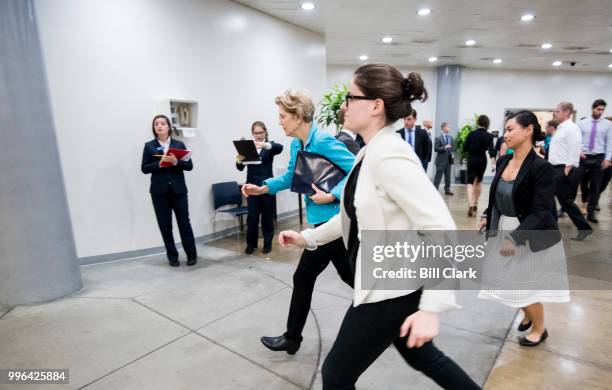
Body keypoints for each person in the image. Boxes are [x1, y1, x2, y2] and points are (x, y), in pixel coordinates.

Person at [278, 64, 479, 390]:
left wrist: (432, 308)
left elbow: (441, 227)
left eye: (349, 97)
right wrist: (308, 237)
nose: (342, 105)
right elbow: (351, 217)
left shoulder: (390, 155)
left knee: (336, 375)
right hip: (390, 284)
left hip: (389, 292)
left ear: (375, 106)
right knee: (424, 357)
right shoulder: (370, 152)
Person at [241, 89, 355, 354]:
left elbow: (359, 171)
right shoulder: (296, 144)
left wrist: (333, 194)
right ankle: (389, 304)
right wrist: (262, 188)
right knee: (349, 276)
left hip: (333, 224)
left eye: (283, 116)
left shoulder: (325, 141)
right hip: (322, 224)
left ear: (299, 115)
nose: (279, 121)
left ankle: (292, 338)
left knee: (303, 276)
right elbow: (291, 176)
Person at [478, 110, 570, 347]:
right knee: (505, 280)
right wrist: (488, 216)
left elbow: (541, 212)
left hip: (529, 233)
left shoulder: (541, 168)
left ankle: (540, 329)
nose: (505, 135)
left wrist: (515, 239)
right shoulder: (503, 160)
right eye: (505, 130)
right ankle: (529, 317)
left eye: (510, 129)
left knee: (522, 286)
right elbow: (497, 195)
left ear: (528, 130)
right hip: (504, 228)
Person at [141, 115, 197, 267]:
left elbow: (189, 166)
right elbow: (144, 168)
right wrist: (159, 164)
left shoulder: (179, 144)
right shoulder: (149, 146)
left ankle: (192, 255)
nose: (159, 126)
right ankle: (173, 257)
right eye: (156, 124)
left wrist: (176, 162)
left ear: (168, 127)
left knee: (184, 223)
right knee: (165, 225)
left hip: (178, 190)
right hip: (159, 192)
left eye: (163, 123)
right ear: (154, 128)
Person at [236, 121, 283, 254]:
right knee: (252, 217)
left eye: (261, 132)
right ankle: (251, 244)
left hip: (267, 186)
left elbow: (279, 147)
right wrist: (239, 157)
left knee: (267, 216)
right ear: (252, 133)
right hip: (251, 186)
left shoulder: (269, 146)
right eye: (256, 133)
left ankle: (267, 244)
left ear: (265, 132)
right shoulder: (248, 148)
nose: (258, 135)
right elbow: (239, 167)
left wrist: (264, 144)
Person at [549, 101, 593, 241]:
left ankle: (584, 228)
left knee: (565, 201)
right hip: (555, 169)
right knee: (550, 198)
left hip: (562, 169)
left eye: (557, 111)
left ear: (567, 112)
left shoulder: (571, 128)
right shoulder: (561, 127)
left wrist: (566, 170)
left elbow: (575, 149)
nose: (555, 113)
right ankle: (551, 227)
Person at [577, 99, 611, 223]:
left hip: (598, 157)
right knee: (580, 183)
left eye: (602, 109)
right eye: (598, 109)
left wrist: (607, 158)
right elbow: (577, 139)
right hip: (583, 157)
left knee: (595, 186)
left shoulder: (607, 124)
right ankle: (577, 206)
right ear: (593, 108)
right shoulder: (582, 123)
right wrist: (579, 150)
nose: (600, 112)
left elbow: (609, 143)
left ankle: (591, 213)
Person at [464, 115, 495, 216]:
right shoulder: (489, 136)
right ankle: (476, 202)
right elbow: (491, 151)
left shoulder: (471, 133)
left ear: (478, 123)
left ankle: (470, 203)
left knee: (470, 182)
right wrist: (493, 163)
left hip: (472, 159)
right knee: (479, 181)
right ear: (487, 124)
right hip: (482, 160)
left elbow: (465, 147)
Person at [433, 121, 454, 195]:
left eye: (449, 127)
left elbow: (453, 148)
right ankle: (435, 189)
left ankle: (447, 189)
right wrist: (444, 147)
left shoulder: (451, 138)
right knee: (438, 176)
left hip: (449, 160)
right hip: (440, 161)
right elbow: (436, 148)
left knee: (448, 176)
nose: (449, 128)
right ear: (443, 127)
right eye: (448, 126)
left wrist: (452, 152)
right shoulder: (438, 138)